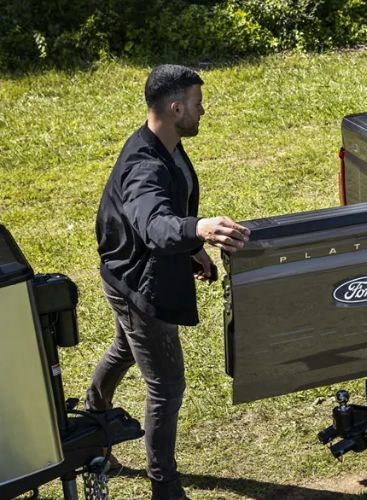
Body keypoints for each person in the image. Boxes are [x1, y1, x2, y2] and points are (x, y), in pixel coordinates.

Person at [85, 64, 250, 500]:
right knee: (167, 385)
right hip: (137, 283)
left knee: (124, 349)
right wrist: (198, 230)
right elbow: (154, 224)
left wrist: (191, 248)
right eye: (197, 104)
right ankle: (166, 487)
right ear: (176, 108)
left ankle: (92, 416)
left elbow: (168, 212)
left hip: (129, 271)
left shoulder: (166, 144)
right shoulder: (144, 165)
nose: (203, 111)